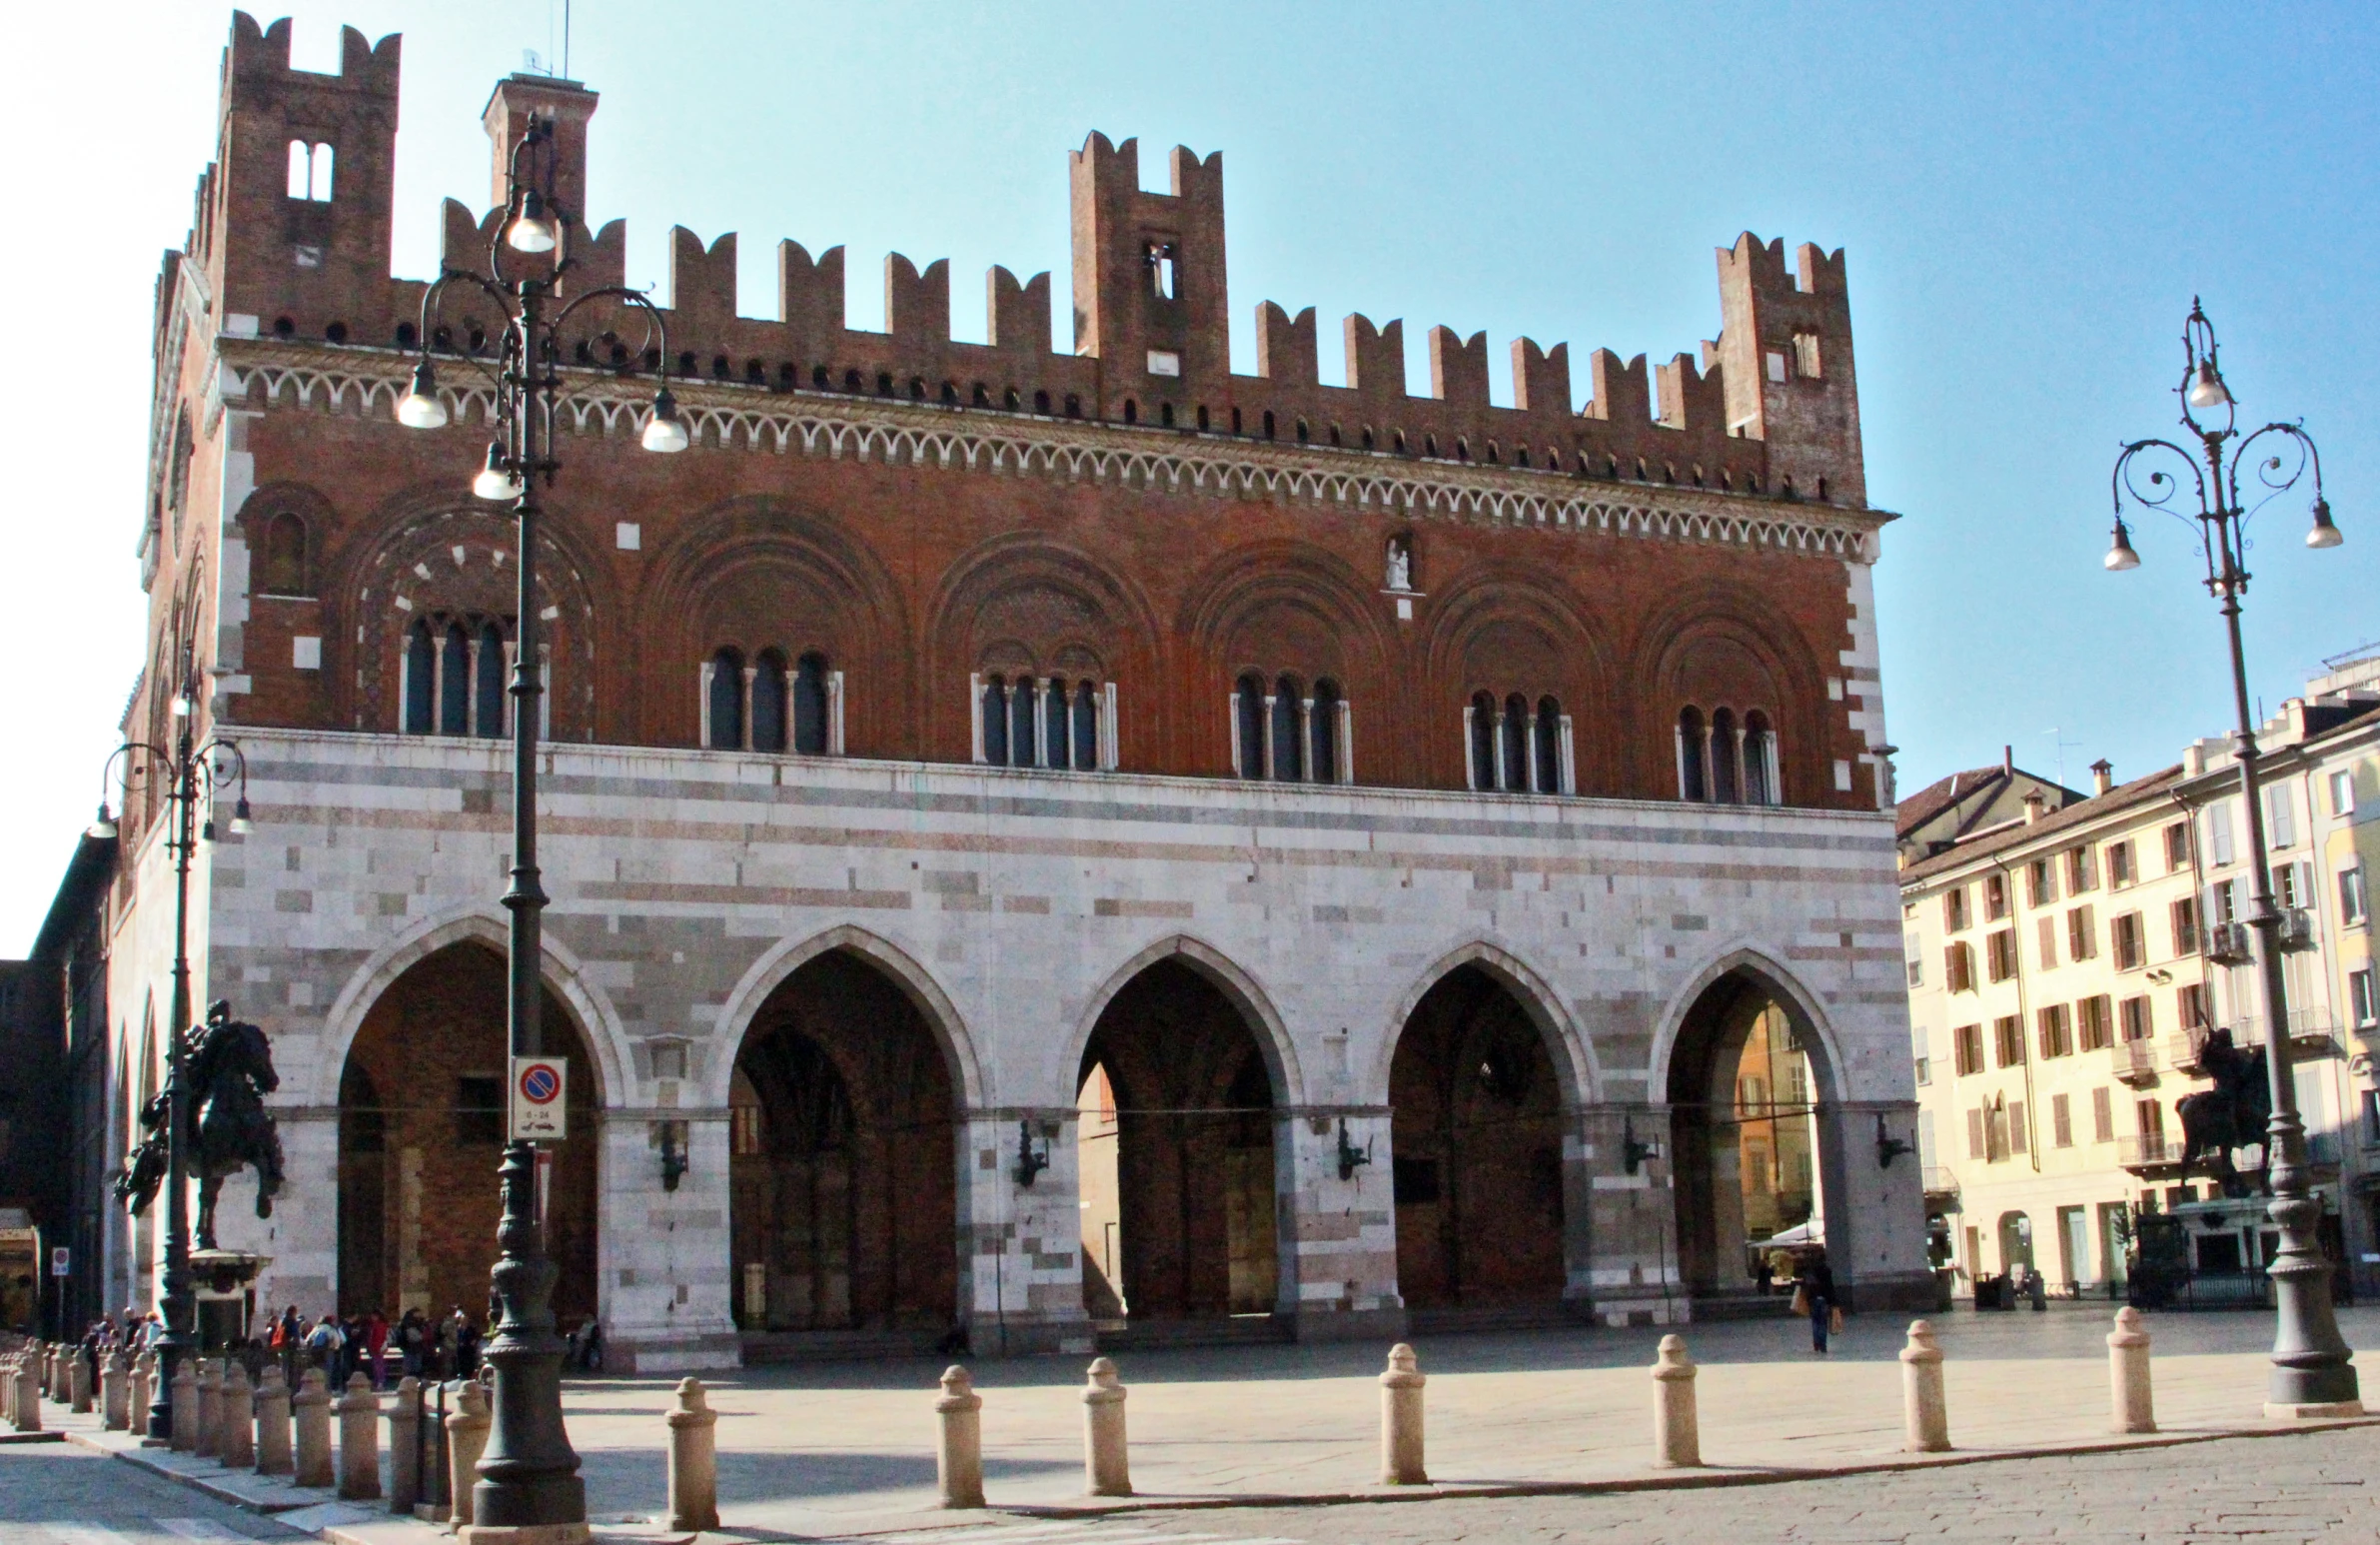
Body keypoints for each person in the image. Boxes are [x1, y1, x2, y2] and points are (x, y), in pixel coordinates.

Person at [1799, 1248, 1838, 1354]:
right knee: (1823, 1323)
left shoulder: (1810, 1272)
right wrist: (1833, 1301)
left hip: (1812, 1300)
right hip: (1824, 1300)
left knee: (1815, 1322)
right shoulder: (1827, 1271)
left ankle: (1816, 1343)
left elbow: (1805, 1285)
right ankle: (1823, 1345)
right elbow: (1830, 1287)